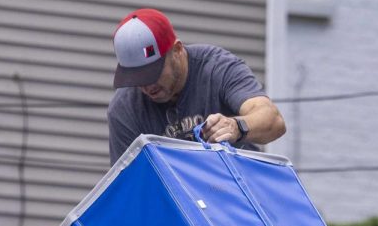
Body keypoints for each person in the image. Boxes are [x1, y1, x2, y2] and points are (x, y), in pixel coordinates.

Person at [107, 8, 286, 163]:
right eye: (137, 78)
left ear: (177, 50)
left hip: (240, 187)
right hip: (174, 198)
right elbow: (130, 185)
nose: (146, 86)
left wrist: (236, 127)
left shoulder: (217, 68)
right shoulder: (124, 108)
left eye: (152, 73)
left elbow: (273, 120)